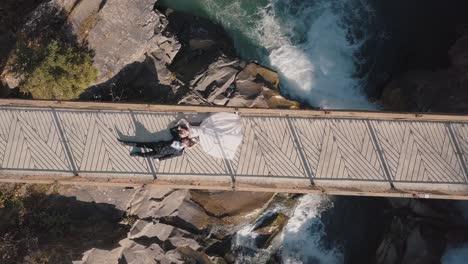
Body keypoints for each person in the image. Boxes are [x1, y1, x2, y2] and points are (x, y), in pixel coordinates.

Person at [118, 137, 195, 160]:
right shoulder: (177, 138)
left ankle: (137, 154)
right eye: (186, 139)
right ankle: (125, 142)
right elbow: (173, 130)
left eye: (186, 141)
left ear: (187, 146)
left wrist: (161, 159)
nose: (185, 140)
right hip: (157, 146)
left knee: (145, 155)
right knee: (140, 144)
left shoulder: (179, 152)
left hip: (159, 154)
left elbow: (170, 156)